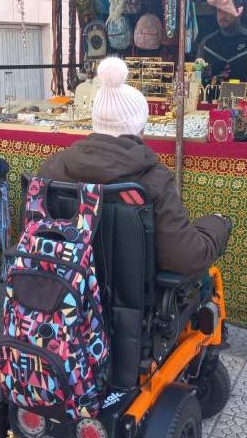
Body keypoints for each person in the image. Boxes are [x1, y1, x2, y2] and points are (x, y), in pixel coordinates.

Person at [37, 57, 232, 276]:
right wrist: (217, 224)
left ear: (95, 122)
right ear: (140, 128)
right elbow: (185, 258)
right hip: (127, 295)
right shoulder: (152, 180)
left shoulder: (50, 169)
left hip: (66, 289)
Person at [195, 0, 247, 82]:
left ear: (238, 12)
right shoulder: (207, 44)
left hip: (244, 90)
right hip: (213, 90)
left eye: (226, 11)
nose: (222, 16)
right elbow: (197, 79)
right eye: (219, 11)